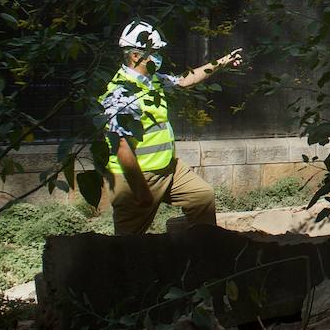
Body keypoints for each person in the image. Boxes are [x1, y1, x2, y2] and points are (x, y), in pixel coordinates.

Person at [100, 19, 244, 235]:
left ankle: (200, 253)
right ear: (135, 55)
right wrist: (141, 191)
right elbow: (122, 147)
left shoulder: (152, 80)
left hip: (168, 168)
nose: (159, 57)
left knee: (202, 196)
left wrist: (222, 62)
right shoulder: (121, 93)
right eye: (154, 51)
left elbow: (186, 80)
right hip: (136, 177)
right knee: (127, 244)